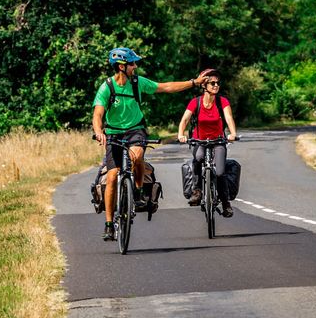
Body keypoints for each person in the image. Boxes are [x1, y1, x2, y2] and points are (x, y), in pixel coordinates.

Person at [93, 47, 212, 240]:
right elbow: (98, 113)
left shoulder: (137, 83)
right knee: (112, 176)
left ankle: (138, 193)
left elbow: (165, 87)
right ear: (121, 66)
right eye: (132, 63)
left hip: (135, 129)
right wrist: (99, 132)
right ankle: (108, 224)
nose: (135, 66)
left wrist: (193, 83)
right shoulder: (107, 87)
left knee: (137, 156)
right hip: (113, 132)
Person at [177, 69, 238, 217]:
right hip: (200, 140)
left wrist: (232, 133)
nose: (216, 85)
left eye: (218, 83)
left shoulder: (222, 101)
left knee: (220, 172)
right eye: (212, 83)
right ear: (204, 85)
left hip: (218, 141)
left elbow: (228, 117)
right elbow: (185, 119)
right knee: (198, 158)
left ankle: (225, 203)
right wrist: (181, 134)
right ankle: (197, 191)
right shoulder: (195, 102)